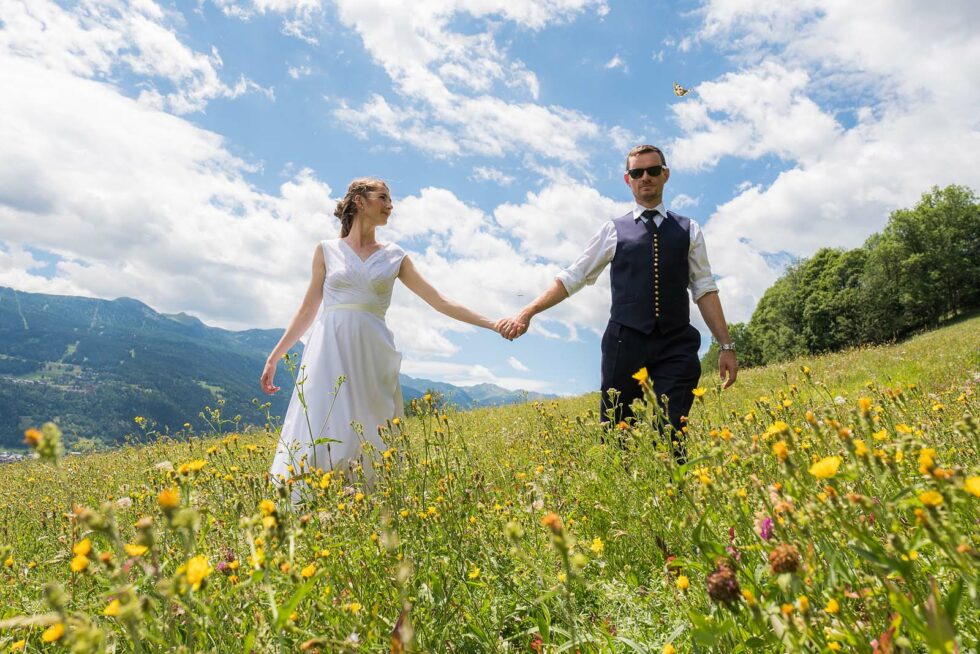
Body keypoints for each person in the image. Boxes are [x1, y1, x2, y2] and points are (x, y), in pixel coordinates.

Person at [261, 177, 500, 497]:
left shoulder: (394, 256)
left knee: (371, 426)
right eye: (383, 197)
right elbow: (307, 310)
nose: (390, 205)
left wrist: (494, 324)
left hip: (373, 352)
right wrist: (274, 356)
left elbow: (439, 300)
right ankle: (309, 502)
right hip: (328, 349)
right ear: (360, 201)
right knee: (324, 419)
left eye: (391, 199)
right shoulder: (326, 251)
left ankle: (370, 502)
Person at [498, 145, 738, 462]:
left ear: (665, 174)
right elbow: (573, 277)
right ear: (628, 180)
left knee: (672, 429)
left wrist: (725, 344)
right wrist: (527, 312)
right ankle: (625, 500)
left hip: (676, 344)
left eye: (653, 171)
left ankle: (674, 500)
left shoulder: (689, 229)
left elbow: (704, 288)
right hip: (625, 344)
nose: (646, 178)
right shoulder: (613, 230)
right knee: (616, 434)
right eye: (637, 173)